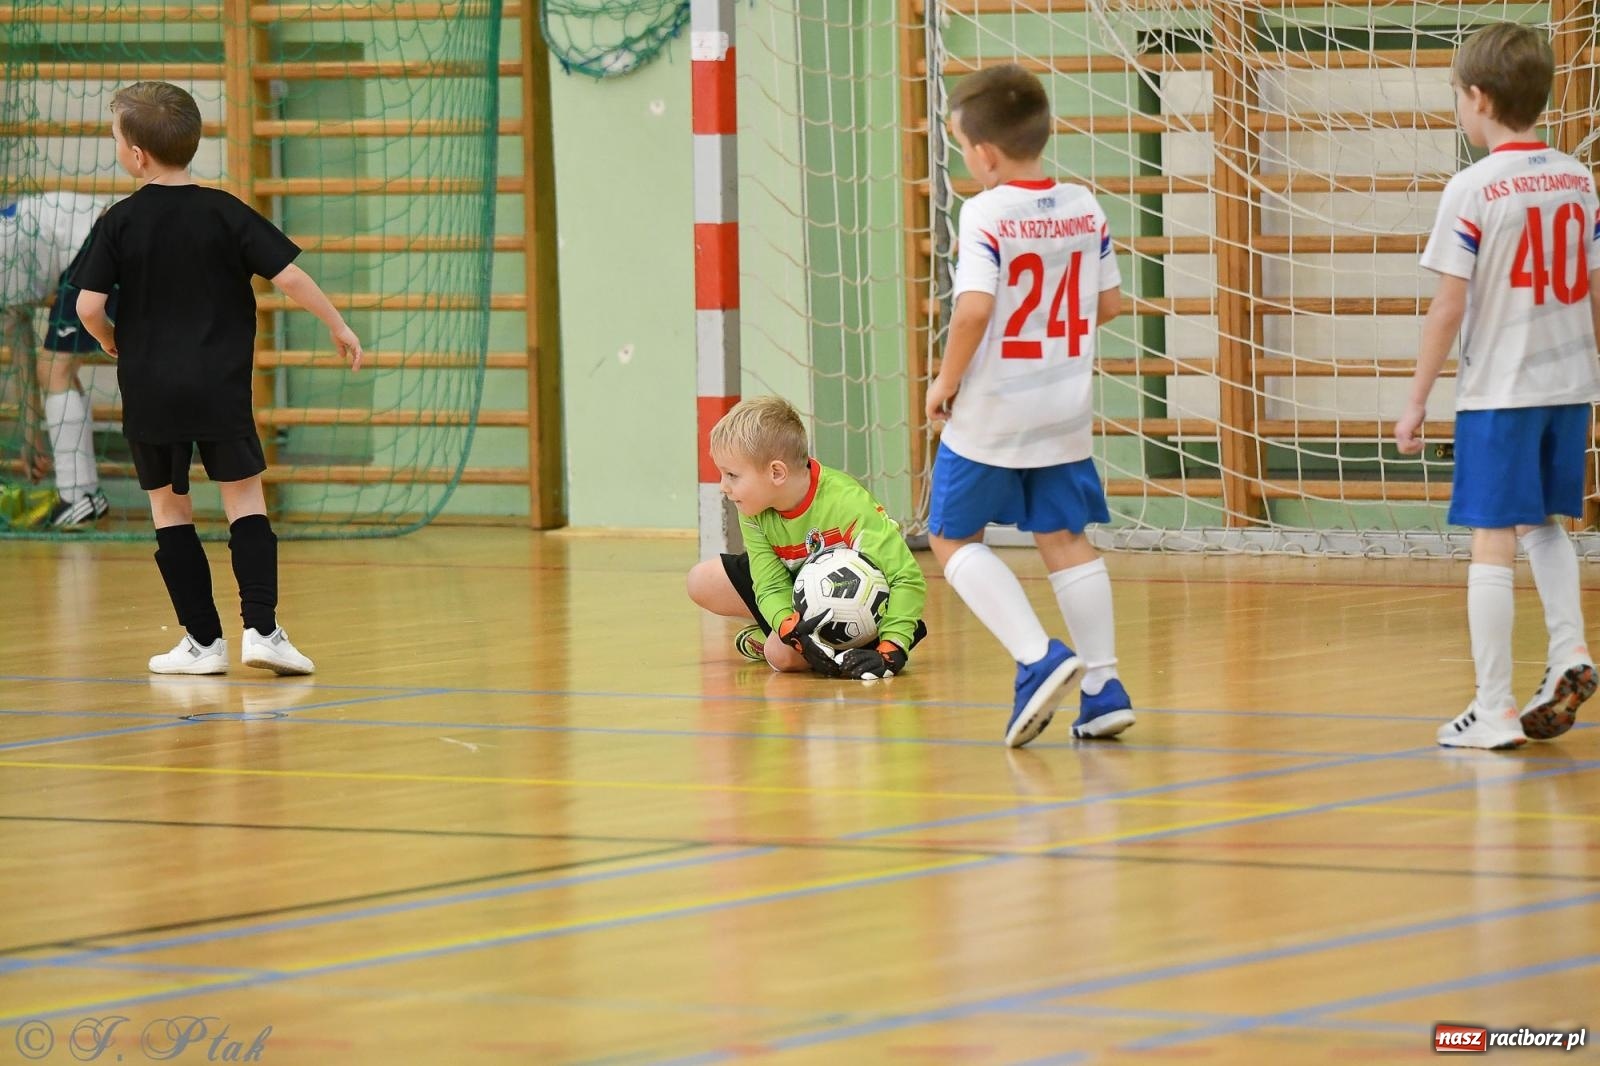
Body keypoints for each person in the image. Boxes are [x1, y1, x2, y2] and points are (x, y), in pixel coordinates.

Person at [73, 81, 363, 676]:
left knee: (169, 507)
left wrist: (109, 339)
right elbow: (290, 277)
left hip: (149, 390)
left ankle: (203, 643)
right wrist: (337, 324)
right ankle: (262, 631)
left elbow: (88, 306)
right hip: (220, 388)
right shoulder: (226, 210)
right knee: (245, 500)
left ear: (136, 155)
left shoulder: (118, 222)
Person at [1394, 23, 1600, 749]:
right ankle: (1570, 648)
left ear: (1478, 98)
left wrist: (1416, 398)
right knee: (1542, 521)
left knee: (1490, 536)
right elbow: (1595, 287)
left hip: (1501, 390)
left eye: (1458, 94)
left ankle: (1493, 707)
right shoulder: (1578, 178)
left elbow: (1448, 306)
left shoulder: (1473, 187)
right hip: (1569, 385)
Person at [923, 63, 1132, 748]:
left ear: (984, 154)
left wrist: (945, 380)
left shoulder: (984, 212)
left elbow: (973, 310)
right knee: (1065, 536)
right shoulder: (1085, 205)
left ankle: (1036, 656)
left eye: (962, 147)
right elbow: (1109, 303)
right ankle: (1103, 687)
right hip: (1063, 406)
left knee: (952, 536)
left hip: (993, 408)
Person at [687, 395, 927, 679]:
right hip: (793, 587)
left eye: (732, 475)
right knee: (701, 580)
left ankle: (876, 636)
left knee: (781, 656)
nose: (723, 487)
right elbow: (769, 585)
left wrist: (892, 649)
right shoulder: (753, 509)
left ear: (776, 472)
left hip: (848, 600)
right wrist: (788, 628)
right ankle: (782, 635)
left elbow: (905, 576)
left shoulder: (847, 504)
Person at [2, 192, 116, 527]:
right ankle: (87, 493)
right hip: (99, 239)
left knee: (55, 370)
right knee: (60, 371)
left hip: (98, 239)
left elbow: (20, 344)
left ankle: (76, 496)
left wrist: (30, 433)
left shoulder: (3, 257)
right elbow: (20, 343)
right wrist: (30, 432)